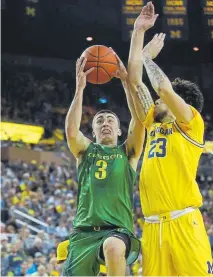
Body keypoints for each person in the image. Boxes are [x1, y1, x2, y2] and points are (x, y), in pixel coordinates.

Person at [127, 1, 213, 275]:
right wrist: (138, 32)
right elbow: (134, 81)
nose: (156, 101)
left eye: (166, 100)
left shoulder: (191, 124)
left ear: (182, 103)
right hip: (152, 227)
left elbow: (163, 89)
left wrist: (149, 58)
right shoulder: (153, 123)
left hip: (183, 223)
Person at [63, 55, 145, 276]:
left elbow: (139, 120)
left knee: (113, 246)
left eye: (111, 120)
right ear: (94, 131)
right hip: (83, 233)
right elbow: (71, 132)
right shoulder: (85, 151)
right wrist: (80, 89)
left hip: (118, 231)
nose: (105, 123)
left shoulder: (128, 153)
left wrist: (127, 84)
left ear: (119, 130)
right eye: (100, 121)